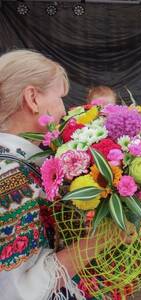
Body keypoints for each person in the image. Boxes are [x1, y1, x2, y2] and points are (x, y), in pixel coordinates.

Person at [0, 49, 97, 299]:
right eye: (60, 97)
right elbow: (18, 290)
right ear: (32, 98)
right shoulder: (12, 179)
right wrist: (100, 241)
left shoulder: (22, 164)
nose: (65, 110)